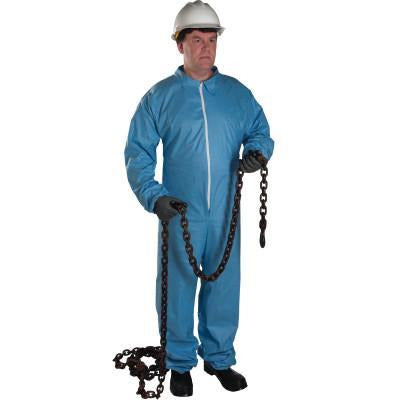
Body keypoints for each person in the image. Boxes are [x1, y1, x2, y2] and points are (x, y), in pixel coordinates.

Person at [124, 0, 275, 396]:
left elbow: (260, 130)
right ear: (180, 45)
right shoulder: (160, 98)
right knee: (177, 286)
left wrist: (257, 153)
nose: (206, 47)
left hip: (225, 211)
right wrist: (154, 197)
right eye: (197, 40)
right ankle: (179, 362)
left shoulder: (237, 96)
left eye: (212, 40)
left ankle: (219, 358)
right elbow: (138, 152)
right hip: (180, 212)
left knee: (224, 284)